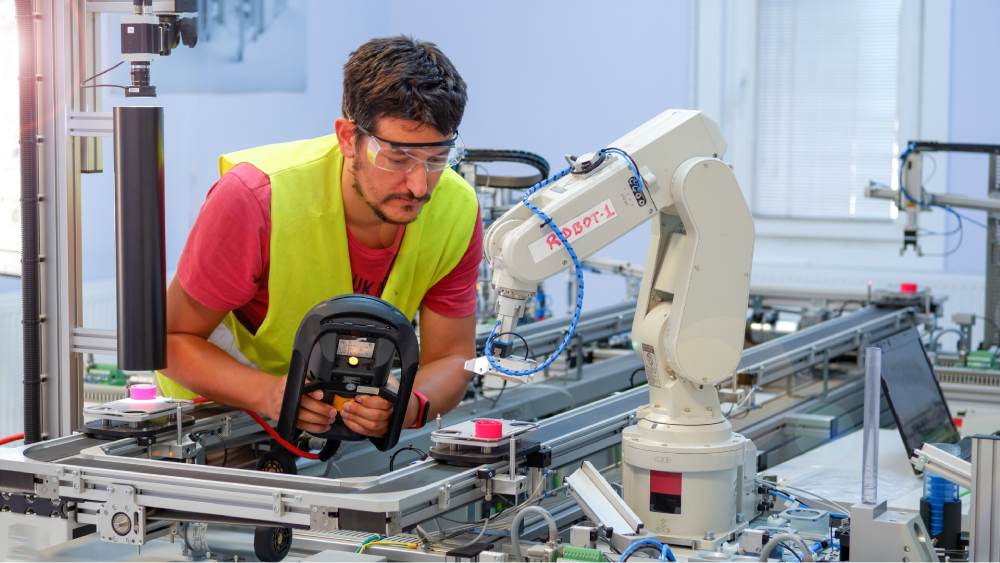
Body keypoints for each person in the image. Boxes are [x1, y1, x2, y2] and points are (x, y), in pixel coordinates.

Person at [159, 36, 481, 438]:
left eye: (436, 159)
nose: (419, 186)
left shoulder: (456, 209)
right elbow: (170, 341)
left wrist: (406, 403)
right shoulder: (256, 199)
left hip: (330, 424)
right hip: (213, 425)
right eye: (397, 159)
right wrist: (273, 395)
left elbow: (453, 356)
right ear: (348, 138)